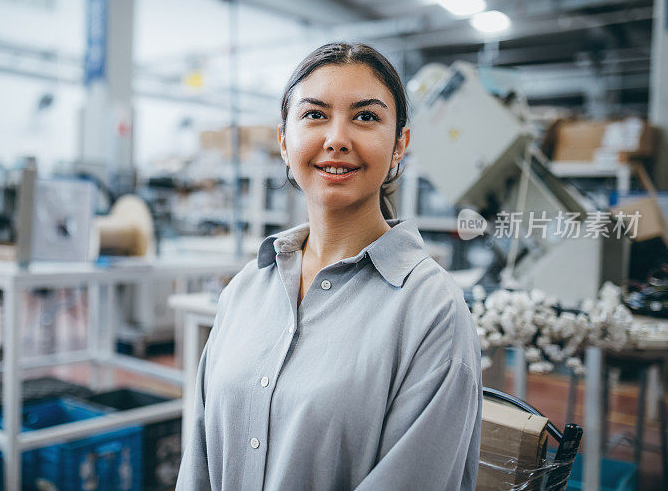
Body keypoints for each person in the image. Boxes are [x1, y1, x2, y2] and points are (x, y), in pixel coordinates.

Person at [176, 42, 482, 490]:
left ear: (400, 145)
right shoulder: (246, 290)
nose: (337, 138)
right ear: (284, 141)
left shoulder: (432, 310)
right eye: (315, 115)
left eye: (366, 117)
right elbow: (199, 464)